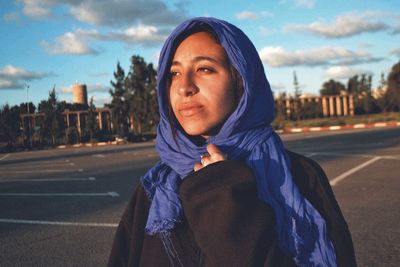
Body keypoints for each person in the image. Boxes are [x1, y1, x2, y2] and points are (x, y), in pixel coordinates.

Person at [108, 17, 356, 267]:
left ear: (241, 81)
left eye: (204, 69)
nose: (184, 87)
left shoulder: (300, 176)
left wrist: (222, 192)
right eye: (174, 73)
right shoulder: (155, 189)